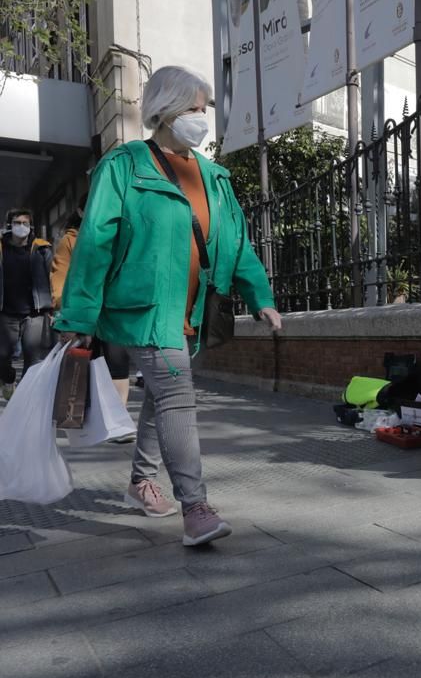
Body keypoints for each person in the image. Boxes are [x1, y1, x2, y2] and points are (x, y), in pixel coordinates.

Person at [54, 65, 282, 546]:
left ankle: (140, 483)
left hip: (192, 313)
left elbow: (237, 242)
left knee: (161, 397)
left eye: (204, 110)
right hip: (145, 311)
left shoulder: (213, 175)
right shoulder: (126, 165)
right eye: (194, 109)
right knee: (178, 395)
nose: (202, 119)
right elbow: (95, 243)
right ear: (165, 109)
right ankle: (195, 507)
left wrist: (261, 297)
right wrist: (77, 316)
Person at [51, 194, 136, 444]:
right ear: (79, 210)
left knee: (117, 363)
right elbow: (60, 277)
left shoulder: (118, 235)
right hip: (83, 313)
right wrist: (64, 313)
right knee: (83, 364)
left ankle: (117, 423)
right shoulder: (71, 240)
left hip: (113, 311)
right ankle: (80, 416)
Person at [0, 208, 56, 399]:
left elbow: (53, 277)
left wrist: (54, 305)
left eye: (25, 223)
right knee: (2, 355)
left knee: (32, 357)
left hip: (35, 313)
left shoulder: (42, 248)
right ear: (9, 225)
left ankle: (23, 399)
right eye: (17, 223)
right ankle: (7, 379)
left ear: (30, 225)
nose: (21, 227)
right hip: (6, 313)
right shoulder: (1, 248)